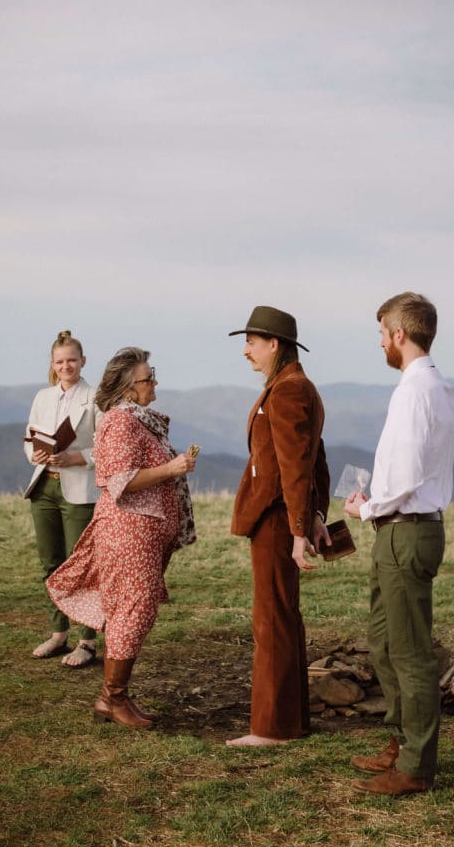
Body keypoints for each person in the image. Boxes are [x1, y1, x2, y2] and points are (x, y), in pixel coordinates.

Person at [344, 292, 454, 796]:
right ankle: (401, 738)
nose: (380, 343)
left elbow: (413, 473)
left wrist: (366, 507)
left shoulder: (416, 392)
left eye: (381, 334)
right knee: (383, 639)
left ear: (399, 334)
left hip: (405, 530)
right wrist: (377, 497)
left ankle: (416, 766)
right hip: (401, 525)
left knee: (410, 651)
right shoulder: (441, 390)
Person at [46, 347, 197, 729]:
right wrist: (171, 468)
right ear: (129, 387)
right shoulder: (120, 422)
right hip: (128, 533)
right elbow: (119, 481)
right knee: (134, 610)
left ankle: (115, 696)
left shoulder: (140, 420)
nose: (155, 382)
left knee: (136, 610)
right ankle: (111, 699)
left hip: (142, 533)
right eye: (149, 378)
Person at [226, 306, 331, 747]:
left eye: (252, 341)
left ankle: (270, 729)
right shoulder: (290, 386)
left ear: (275, 345)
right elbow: (314, 458)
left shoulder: (289, 391)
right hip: (280, 517)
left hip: (275, 519)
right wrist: (317, 514)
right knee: (281, 615)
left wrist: (300, 530)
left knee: (272, 618)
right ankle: (290, 721)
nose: (246, 350)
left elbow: (295, 466)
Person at [24, 330, 101, 667]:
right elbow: (29, 438)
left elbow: (106, 445)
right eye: (60, 361)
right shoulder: (42, 397)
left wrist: (76, 457)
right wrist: (37, 454)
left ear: (83, 361)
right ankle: (58, 634)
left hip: (80, 490)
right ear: (52, 365)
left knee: (81, 565)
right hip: (44, 488)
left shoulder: (98, 398)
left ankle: (86, 641)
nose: (66, 365)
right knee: (51, 564)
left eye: (72, 360)